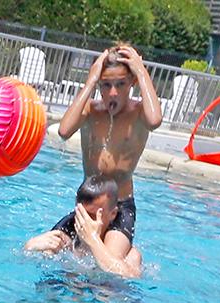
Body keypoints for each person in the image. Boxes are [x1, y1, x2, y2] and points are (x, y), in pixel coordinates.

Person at [38, 43, 163, 267]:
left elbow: (155, 120)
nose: (112, 92)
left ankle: (129, 256)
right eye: (105, 85)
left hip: (120, 206)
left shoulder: (138, 115)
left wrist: (141, 70)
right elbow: (64, 131)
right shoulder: (90, 111)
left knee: (108, 266)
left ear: (132, 82)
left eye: (120, 84)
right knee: (46, 250)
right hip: (89, 205)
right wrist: (90, 81)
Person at [23, 175, 145, 277]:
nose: (84, 221)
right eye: (81, 214)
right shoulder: (67, 242)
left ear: (113, 214)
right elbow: (27, 261)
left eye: (91, 215)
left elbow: (129, 277)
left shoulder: (131, 255)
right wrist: (31, 246)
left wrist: (93, 240)